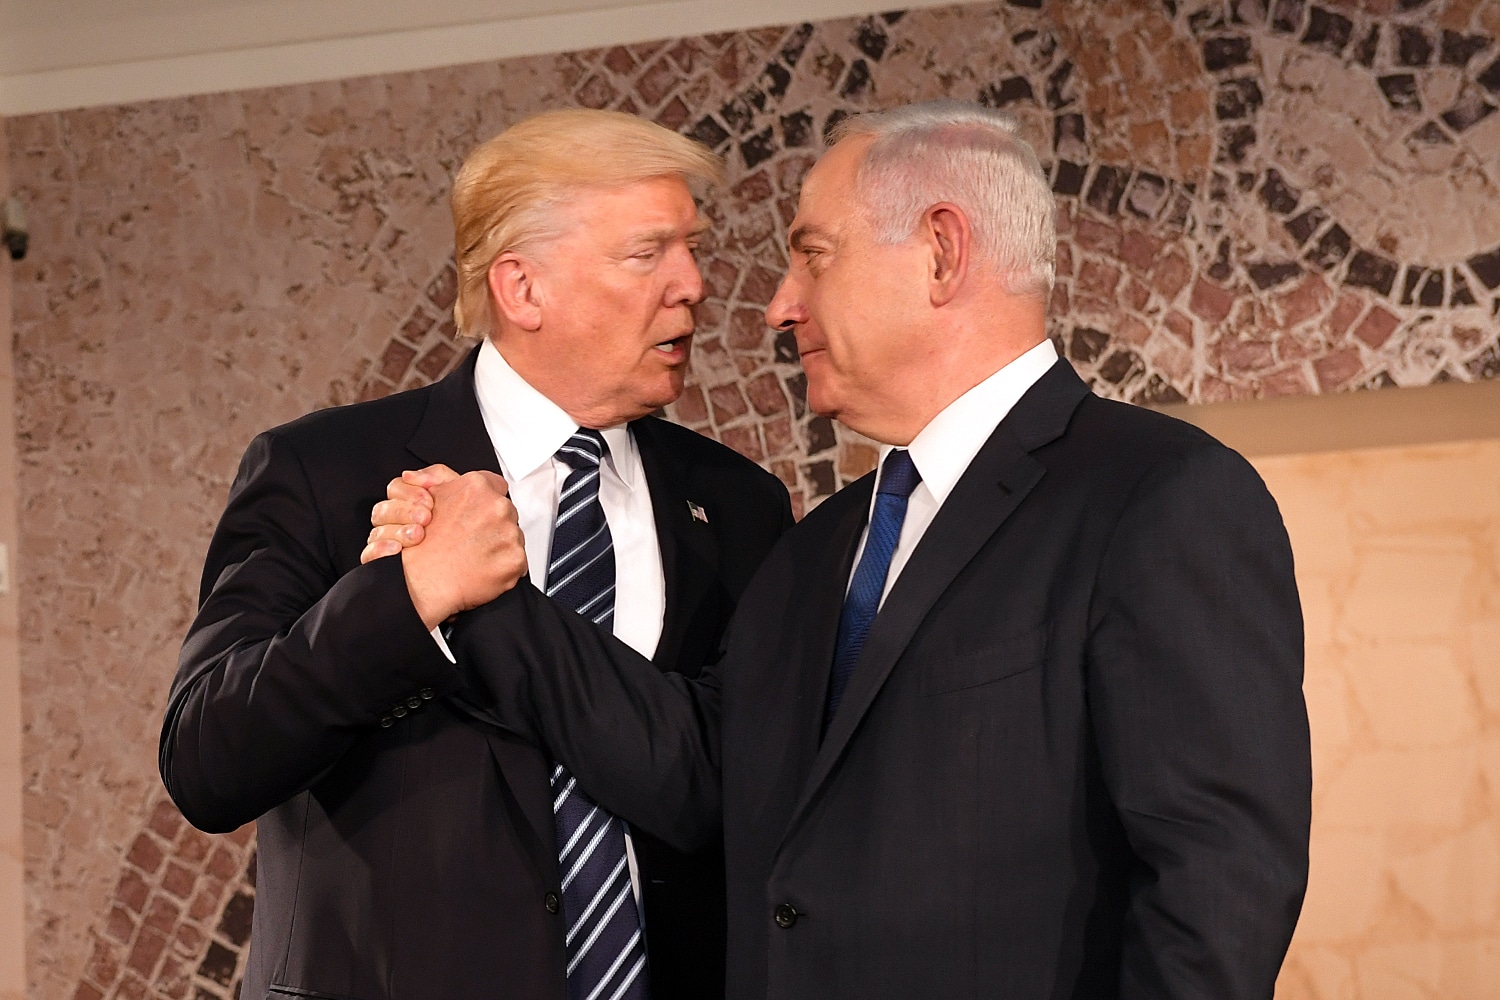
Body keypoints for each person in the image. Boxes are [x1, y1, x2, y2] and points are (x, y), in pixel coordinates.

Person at [373, 101, 1311, 998]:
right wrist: (483, 596)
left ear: (942, 252)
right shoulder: (814, 549)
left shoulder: (1160, 497)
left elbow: (1217, 879)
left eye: (813, 257)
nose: (779, 306)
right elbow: (697, 770)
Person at [160, 108, 792, 1000]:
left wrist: (486, 606)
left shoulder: (739, 505)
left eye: (692, 250)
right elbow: (206, 763)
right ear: (521, 288)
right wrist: (405, 598)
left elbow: (727, 788)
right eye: (648, 254)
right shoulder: (322, 470)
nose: (692, 285)